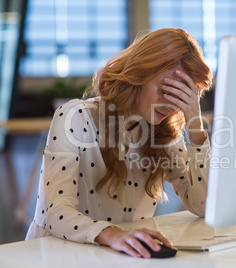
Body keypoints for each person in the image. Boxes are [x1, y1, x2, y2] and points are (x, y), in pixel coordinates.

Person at [25, 28, 213, 259]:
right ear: (139, 74)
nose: (170, 104)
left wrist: (196, 126)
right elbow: (57, 212)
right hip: (52, 255)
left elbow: (204, 207)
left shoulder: (163, 133)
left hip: (120, 256)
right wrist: (112, 234)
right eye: (166, 89)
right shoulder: (75, 117)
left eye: (181, 95)